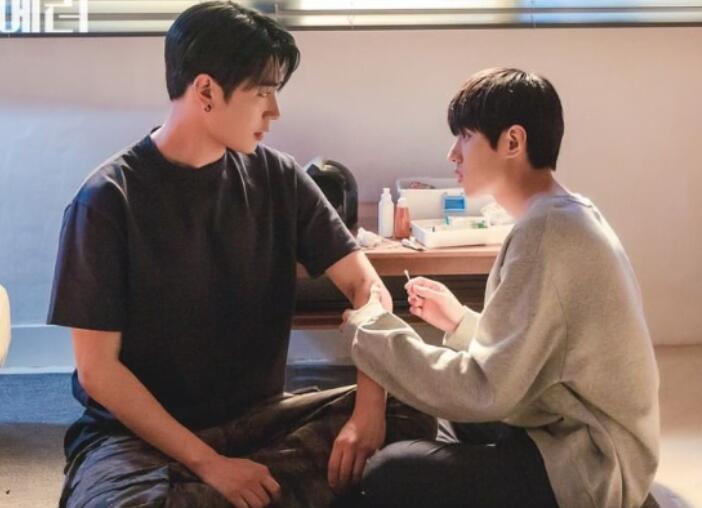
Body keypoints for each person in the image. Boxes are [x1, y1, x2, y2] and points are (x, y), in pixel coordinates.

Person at [47, 2, 433, 507]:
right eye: (262, 92)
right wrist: (211, 465)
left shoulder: (279, 177)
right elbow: (98, 372)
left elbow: (367, 287)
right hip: (140, 440)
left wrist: (368, 411)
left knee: (409, 409)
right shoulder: (106, 201)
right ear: (206, 91)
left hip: (259, 423)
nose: (275, 112)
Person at [342, 68, 659, 508]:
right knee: (428, 417)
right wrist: (460, 322)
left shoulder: (547, 232)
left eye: (465, 136)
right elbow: (539, 354)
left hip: (591, 464)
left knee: (389, 472)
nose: (453, 153)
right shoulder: (561, 214)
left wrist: (370, 330)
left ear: (513, 141)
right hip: (564, 428)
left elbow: (484, 390)